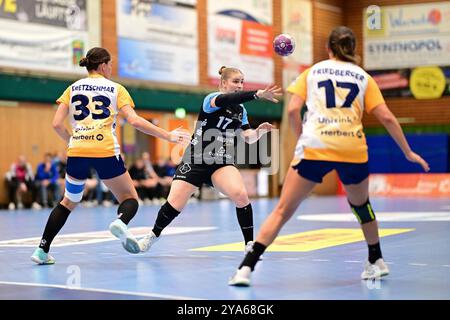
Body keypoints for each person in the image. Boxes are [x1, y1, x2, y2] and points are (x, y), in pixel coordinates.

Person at [228, 26, 430, 286]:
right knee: (362, 206)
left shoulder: (312, 72)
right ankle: (376, 260)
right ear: (353, 49)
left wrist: (302, 138)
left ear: (329, 48)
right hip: (352, 147)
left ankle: (246, 269)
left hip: (317, 145)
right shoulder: (363, 77)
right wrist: (408, 152)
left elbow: (291, 111)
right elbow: (387, 117)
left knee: (282, 211)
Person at [30, 47, 189, 264]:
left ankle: (41, 250)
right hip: (105, 150)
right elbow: (134, 121)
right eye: (111, 65)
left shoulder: (72, 88)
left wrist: (72, 140)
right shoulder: (116, 89)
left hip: (77, 151)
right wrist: (168, 136)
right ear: (103, 65)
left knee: (68, 201)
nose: (112, 69)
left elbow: (56, 124)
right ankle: (121, 222)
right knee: (129, 198)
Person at [135, 66, 281, 255]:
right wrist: (257, 94)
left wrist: (259, 131)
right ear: (223, 83)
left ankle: (249, 244)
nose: (240, 85)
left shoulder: (241, 110)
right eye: (236, 81)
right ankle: (152, 235)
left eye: (242, 82)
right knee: (174, 204)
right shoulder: (211, 100)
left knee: (240, 195)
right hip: (196, 159)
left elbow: (247, 136)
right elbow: (227, 99)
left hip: (221, 161)